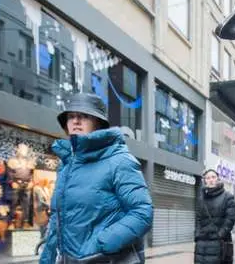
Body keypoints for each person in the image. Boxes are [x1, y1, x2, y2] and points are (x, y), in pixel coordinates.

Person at [40, 92, 153, 264]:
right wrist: (47, 259)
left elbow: (142, 212)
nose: (76, 121)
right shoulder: (67, 164)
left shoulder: (119, 160)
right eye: (71, 117)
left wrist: (102, 244)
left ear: (98, 122)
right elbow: (57, 218)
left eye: (84, 116)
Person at [195, 169, 235, 264]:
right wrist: (197, 235)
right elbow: (198, 218)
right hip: (202, 244)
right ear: (204, 180)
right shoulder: (201, 198)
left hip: (219, 243)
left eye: (213, 177)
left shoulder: (227, 197)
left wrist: (220, 234)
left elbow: (230, 219)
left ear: (218, 179)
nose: (211, 180)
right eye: (208, 178)